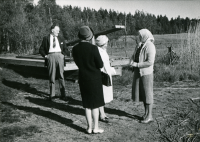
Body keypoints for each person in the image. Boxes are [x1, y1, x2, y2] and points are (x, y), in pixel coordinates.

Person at [72, 26, 105, 134]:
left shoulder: (75, 48)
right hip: (94, 79)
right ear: (89, 36)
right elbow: (100, 65)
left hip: (83, 78)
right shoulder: (93, 48)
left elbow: (77, 63)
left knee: (86, 105)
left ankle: (89, 128)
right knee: (95, 105)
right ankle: (95, 128)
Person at [129, 29, 156, 124]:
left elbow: (150, 62)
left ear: (145, 35)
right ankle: (146, 113)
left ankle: (150, 116)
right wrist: (131, 61)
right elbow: (134, 55)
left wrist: (136, 65)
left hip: (146, 73)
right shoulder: (140, 44)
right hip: (139, 72)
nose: (139, 37)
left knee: (148, 94)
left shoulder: (150, 45)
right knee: (143, 94)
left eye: (140, 35)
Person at [39, 24, 69, 101]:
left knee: (61, 76)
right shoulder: (46, 38)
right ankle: (52, 95)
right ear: (52, 30)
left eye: (58, 30)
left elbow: (66, 49)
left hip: (60, 56)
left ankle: (63, 95)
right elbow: (41, 49)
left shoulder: (61, 38)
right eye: (57, 30)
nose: (58, 31)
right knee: (52, 76)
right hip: (50, 56)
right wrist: (46, 56)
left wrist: (62, 55)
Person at [95, 35, 116, 122]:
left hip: (105, 73)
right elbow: (100, 64)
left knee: (103, 95)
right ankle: (101, 114)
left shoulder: (103, 50)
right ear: (103, 43)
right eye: (106, 42)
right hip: (102, 74)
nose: (107, 44)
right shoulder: (99, 51)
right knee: (101, 95)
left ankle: (102, 113)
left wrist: (109, 61)